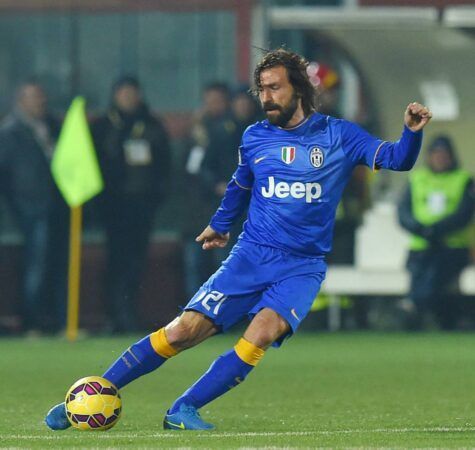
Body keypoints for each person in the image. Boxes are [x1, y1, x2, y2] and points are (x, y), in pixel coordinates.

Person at [46, 48, 432, 431]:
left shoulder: (339, 135)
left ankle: (183, 409)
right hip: (252, 255)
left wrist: (411, 134)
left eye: (274, 88)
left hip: (303, 265)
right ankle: (90, 395)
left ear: (298, 88)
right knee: (184, 331)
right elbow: (240, 185)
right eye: (261, 89)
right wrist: (220, 224)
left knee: (261, 334)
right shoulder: (255, 137)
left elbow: (397, 158)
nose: (266, 97)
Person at [92, 76, 171, 333]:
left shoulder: (151, 125)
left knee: (136, 263)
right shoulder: (103, 127)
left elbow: (164, 166)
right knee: (115, 261)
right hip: (113, 208)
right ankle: (113, 315)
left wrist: (155, 197)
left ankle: (129, 313)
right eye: (123, 93)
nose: (128, 98)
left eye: (132, 93)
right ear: (115, 96)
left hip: (142, 208)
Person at [0, 81, 68, 334]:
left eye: (42, 96)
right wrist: (16, 205)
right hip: (28, 209)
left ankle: (56, 320)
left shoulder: (52, 127)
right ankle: (32, 322)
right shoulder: (10, 132)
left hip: (56, 207)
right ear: (21, 101)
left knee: (56, 265)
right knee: (34, 267)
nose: (41, 102)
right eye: (35, 97)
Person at [398, 135, 475, 330]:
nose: (440, 159)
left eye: (444, 155)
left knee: (436, 272)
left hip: (451, 246)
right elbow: (403, 212)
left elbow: (463, 214)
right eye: (436, 155)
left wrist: (436, 230)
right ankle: (421, 312)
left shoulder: (463, 180)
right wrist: (422, 230)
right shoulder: (417, 179)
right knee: (421, 271)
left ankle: (412, 306)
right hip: (421, 245)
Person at [182, 82, 239, 298]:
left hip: (222, 209)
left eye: (218, 101)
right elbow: (188, 170)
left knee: (222, 263)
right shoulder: (197, 132)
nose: (212, 106)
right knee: (194, 263)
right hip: (196, 211)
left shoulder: (233, 131)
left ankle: (221, 312)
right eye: (209, 101)